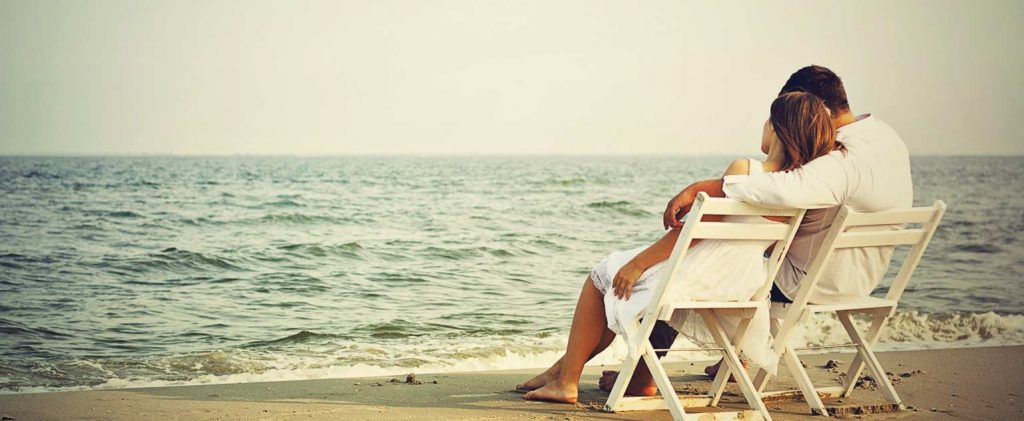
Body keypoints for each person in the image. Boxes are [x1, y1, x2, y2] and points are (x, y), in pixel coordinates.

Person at [598, 64, 915, 395]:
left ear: (812, 107)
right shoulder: (884, 137)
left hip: (811, 282)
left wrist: (706, 187)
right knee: (746, 243)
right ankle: (735, 359)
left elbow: (779, 188)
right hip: (863, 278)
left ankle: (644, 373)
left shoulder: (839, 158)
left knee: (696, 265)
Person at [516, 91, 844, 404]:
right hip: (740, 285)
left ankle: (567, 381)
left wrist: (639, 264)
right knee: (617, 280)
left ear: (776, 127)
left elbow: (695, 234)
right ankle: (561, 371)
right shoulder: (801, 189)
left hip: (699, 276)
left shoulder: (746, 169)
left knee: (603, 276)